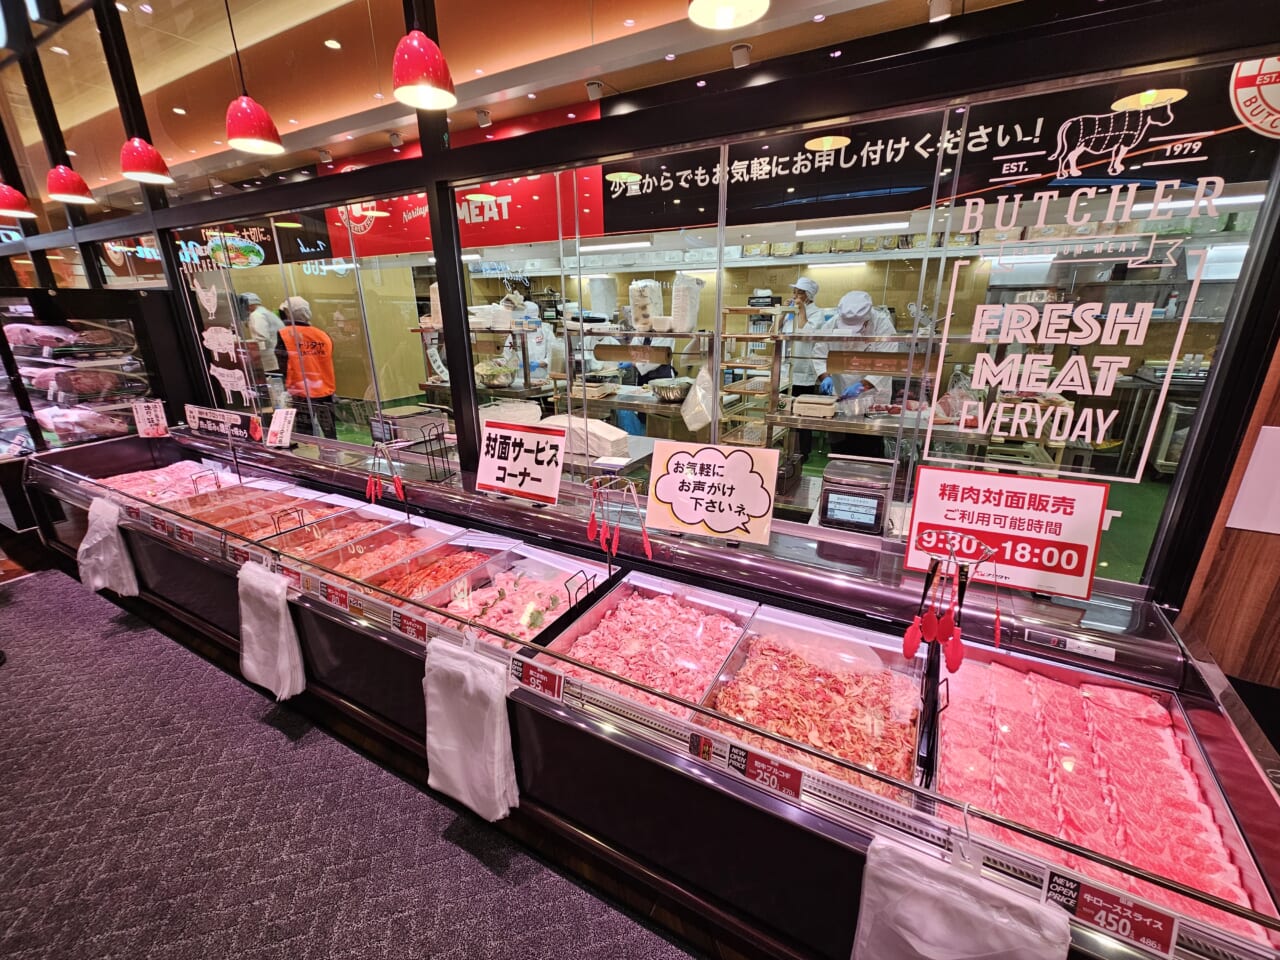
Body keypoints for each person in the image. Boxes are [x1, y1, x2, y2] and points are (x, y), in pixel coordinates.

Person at [813, 290, 900, 457]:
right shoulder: (832, 324)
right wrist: (825, 377)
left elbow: (887, 362)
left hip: (871, 397)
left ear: (867, 319)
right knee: (840, 446)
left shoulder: (882, 325)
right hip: (840, 393)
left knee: (868, 447)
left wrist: (861, 386)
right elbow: (819, 354)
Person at [275, 296, 338, 440]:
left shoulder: (285, 334)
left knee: (306, 434)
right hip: (325, 388)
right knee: (330, 432)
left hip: (301, 390)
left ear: (288, 313)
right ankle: (333, 453)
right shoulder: (322, 334)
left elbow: (282, 361)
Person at [781, 276, 829, 459]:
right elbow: (776, 331)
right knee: (786, 412)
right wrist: (783, 313)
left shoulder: (817, 314)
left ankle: (803, 453)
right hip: (786, 372)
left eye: (799, 293)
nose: (795, 295)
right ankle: (786, 449)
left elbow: (805, 333)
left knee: (802, 414)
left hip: (803, 373)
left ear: (809, 295)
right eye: (794, 292)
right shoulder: (791, 312)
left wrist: (801, 310)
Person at [243, 292, 284, 376]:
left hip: (269, 358)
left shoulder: (256, 315)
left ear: (249, 305)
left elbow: (262, 338)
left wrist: (246, 344)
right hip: (277, 356)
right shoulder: (266, 313)